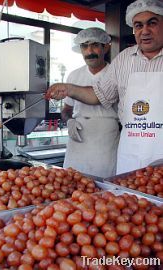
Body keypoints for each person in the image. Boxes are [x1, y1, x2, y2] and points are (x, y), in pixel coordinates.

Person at [46, 0, 163, 174]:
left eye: (152, 23)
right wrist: (68, 89)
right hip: (132, 146)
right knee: (123, 197)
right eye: (138, 25)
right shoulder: (124, 59)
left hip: (133, 142)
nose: (144, 31)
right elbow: (99, 94)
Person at [61, 28, 120, 178]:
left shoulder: (115, 73)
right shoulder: (74, 75)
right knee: (70, 183)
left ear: (105, 47)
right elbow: (66, 109)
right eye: (84, 46)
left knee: (104, 186)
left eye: (94, 45)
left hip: (105, 137)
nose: (89, 51)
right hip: (78, 137)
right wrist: (69, 122)